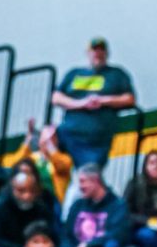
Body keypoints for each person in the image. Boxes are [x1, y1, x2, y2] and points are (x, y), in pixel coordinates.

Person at [52, 38, 135, 169]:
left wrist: (103, 101)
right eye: (94, 51)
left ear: (106, 53)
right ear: (88, 53)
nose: (98, 54)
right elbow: (56, 97)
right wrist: (80, 103)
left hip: (96, 138)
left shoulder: (116, 74)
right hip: (68, 133)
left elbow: (129, 98)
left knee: (89, 173)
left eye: (101, 51)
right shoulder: (74, 73)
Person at [63, 164, 128, 247]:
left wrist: (88, 246)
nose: (80, 187)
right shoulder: (77, 205)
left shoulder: (117, 205)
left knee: (112, 246)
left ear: (96, 180)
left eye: (83, 181)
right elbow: (66, 234)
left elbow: (117, 233)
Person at [3, 122, 73, 206]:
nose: (47, 140)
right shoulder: (34, 158)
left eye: (52, 137)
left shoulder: (65, 158)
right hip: (33, 199)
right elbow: (15, 164)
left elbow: (62, 166)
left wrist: (51, 148)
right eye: (44, 137)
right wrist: (28, 139)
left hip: (54, 203)